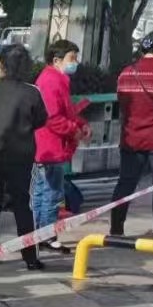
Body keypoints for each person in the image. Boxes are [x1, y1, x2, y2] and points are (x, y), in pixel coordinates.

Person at [0, 44, 47, 271]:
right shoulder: (32, 92)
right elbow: (41, 120)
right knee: (23, 205)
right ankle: (30, 257)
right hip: (21, 156)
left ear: (2, 65)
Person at [32, 39, 90, 253]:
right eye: (72, 58)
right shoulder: (51, 81)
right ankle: (47, 236)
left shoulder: (56, 79)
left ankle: (38, 234)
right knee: (52, 193)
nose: (75, 62)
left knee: (43, 191)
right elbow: (53, 117)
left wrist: (80, 124)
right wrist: (74, 130)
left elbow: (67, 110)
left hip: (48, 145)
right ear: (56, 60)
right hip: (51, 145)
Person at [111, 30, 153, 238]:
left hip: (131, 139)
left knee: (125, 184)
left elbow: (123, 105)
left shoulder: (126, 73)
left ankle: (116, 229)